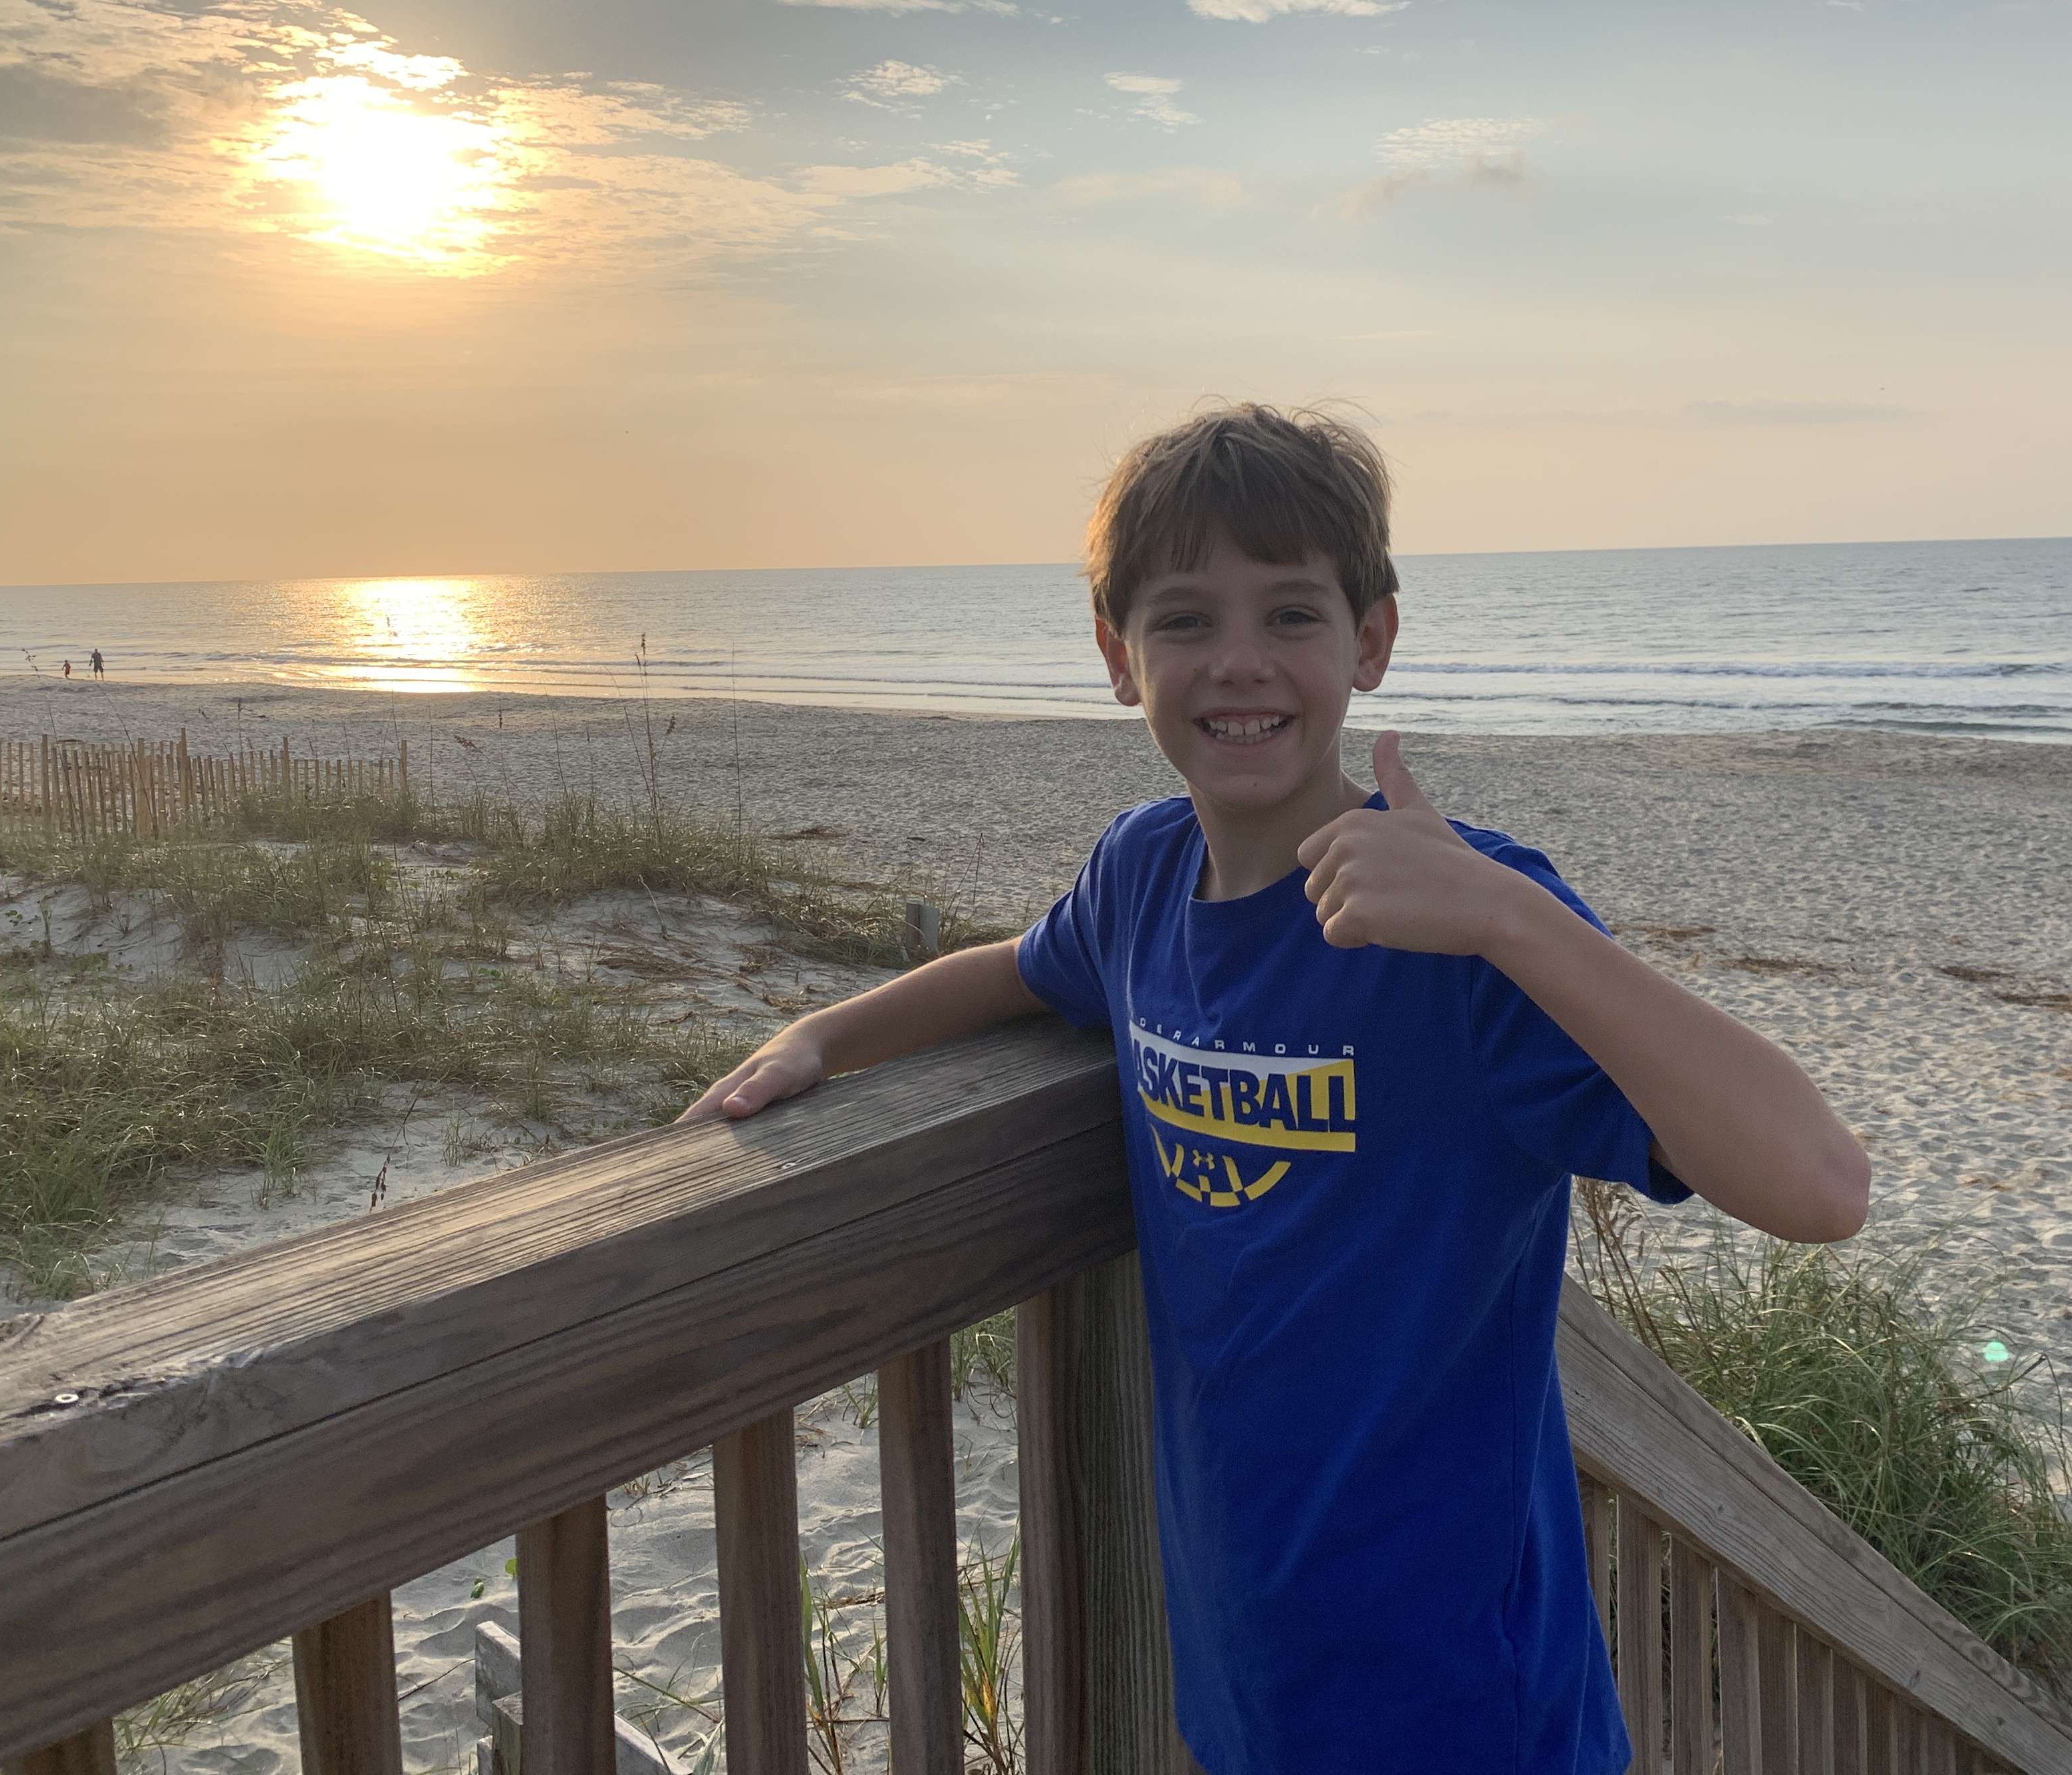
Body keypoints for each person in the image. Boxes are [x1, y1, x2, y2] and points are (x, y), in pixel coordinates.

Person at [683, 404, 1868, 1775]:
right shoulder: (1140, 876)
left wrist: (1512, 922)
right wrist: (826, 1035)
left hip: (1468, 1708)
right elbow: (1020, 968)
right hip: (1250, 1677)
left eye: (1292, 614)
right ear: (1118, 657)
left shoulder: (1464, 925)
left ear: (1371, 641)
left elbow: (1820, 1185)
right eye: (1185, 620)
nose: (1239, 661)